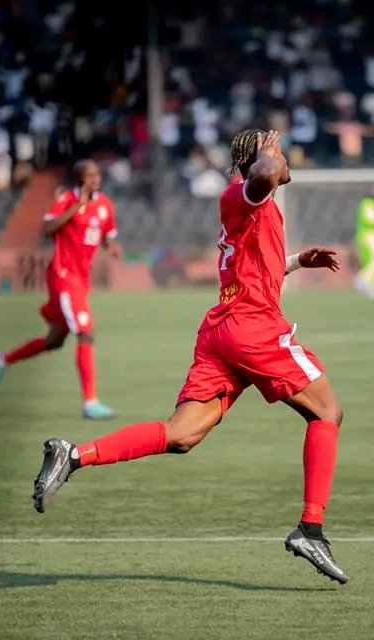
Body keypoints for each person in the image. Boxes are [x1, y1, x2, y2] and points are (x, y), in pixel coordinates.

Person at [31, 130, 350, 584]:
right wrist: (268, 158)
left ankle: (74, 455)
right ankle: (311, 528)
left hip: (223, 332)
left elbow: (254, 266)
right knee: (327, 412)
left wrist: (298, 261)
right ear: (257, 161)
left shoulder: (253, 205)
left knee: (182, 434)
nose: (284, 158)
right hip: (252, 327)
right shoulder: (246, 191)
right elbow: (263, 174)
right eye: (277, 151)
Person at [0, 160, 121, 420]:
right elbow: (47, 228)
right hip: (63, 276)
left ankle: (1, 360)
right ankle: (90, 403)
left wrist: (111, 246)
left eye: (97, 174)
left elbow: (106, 234)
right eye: (90, 175)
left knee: (54, 341)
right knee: (86, 332)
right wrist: (76, 207)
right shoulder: (66, 199)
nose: (96, 179)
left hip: (81, 280)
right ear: (79, 179)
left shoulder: (105, 205)